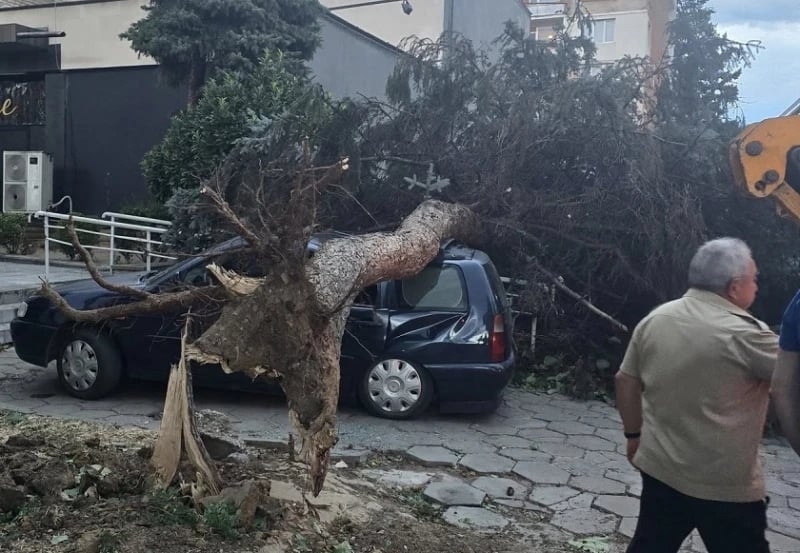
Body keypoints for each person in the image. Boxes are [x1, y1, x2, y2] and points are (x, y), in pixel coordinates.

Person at [615, 237, 778, 553]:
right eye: (754, 279)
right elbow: (789, 378)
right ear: (734, 287)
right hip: (724, 488)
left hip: (662, 470)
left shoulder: (658, 318)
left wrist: (633, 435)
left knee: (651, 545)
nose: (756, 287)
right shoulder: (747, 334)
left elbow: (625, 380)